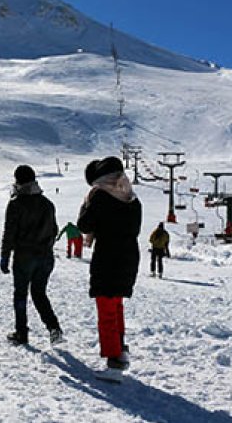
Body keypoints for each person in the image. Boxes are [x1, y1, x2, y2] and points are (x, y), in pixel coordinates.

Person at [77, 156, 141, 381]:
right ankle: (120, 353)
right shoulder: (133, 199)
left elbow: (84, 225)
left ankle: (113, 361)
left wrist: (87, 204)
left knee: (106, 309)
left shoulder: (100, 197)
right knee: (116, 306)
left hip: (107, 256)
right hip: (129, 256)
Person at [0, 165, 63, 346]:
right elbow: (54, 229)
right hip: (45, 257)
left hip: (24, 257)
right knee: (39, 293)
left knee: (21, 294)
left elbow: (9, 233)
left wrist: (5, 256)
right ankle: (54, 328)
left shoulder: (16, 204)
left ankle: (21, 332)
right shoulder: (47, 203)